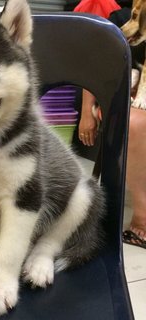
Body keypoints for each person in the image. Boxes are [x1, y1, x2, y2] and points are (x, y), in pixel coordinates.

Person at [75, 0, 146, 248]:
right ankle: (143, 220)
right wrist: (86, 112)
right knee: (136, 124)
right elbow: (95, 66)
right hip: (127, 100)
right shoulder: (121, 20)